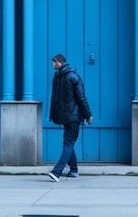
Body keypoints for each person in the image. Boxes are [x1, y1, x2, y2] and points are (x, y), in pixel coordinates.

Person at [47, 54, 93, 182]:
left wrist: (87, 115)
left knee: (68, 143)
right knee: (68, 143)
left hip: (72, 116)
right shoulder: (59, 77)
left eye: (54, 62)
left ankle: (57, 171)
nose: (53, 65)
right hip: (68, 116)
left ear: (60, 62)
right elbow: (55, 99)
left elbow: (81, 98)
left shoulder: (71, 76)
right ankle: (73, 170)